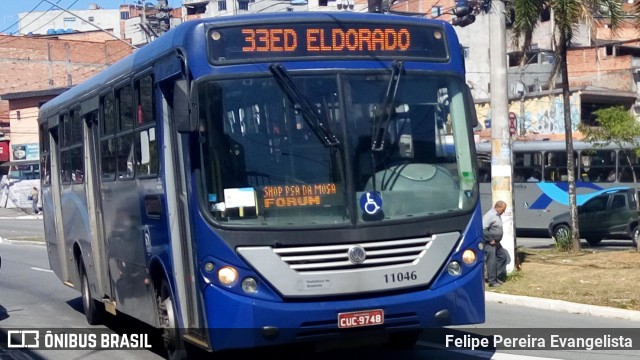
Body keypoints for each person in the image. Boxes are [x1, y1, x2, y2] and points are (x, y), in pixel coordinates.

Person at [482, 200, 509, 287]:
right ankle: (492, 281)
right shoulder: (490, 215)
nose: (503, 212)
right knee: (491, 261)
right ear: (498, 207)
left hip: (496, 242)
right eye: (503, 209)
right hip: (490, 243)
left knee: (502, 257)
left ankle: (496, 277)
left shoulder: (496, 215)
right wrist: (490, 239)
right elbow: (483, 228)